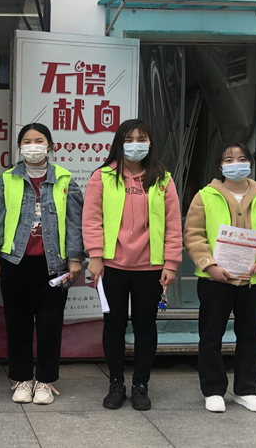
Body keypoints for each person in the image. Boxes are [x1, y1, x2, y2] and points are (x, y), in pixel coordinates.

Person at [184, 142, 256, 414]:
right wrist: (208, 264)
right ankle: (213, 390)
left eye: (242, 158)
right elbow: (194, 235)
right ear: (220, 166)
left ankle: (247, 390)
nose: (236, 164)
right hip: (215, 279)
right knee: (211, 335)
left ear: (250, 163)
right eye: (229, 160)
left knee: (251, 335)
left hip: (254, 281)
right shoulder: (205, 196)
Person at [83, 119, 182, 411]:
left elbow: (173, 224)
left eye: (141, 139)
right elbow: (92, 220)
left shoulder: (162, 179)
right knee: (113, 325)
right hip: (112, 266)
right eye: (129, 139)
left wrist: (171, 262)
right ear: (119, 143)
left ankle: (141, 385)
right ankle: (116, 383)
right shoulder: (102, 176)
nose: (135, 144)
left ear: (150, 143)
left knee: (145, 326)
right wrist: (95, 256)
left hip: (150, 268)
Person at [0, 123, 84, 405]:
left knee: (51, 324)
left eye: (39, 141)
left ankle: (45, 381)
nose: (33, 146)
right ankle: (22, 379)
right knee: (17, 324)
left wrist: (74, 259)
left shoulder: (65, 179)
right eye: (26, 141)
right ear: (19, 147)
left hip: (53, 265)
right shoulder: (6, 180)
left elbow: (74, 222)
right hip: (15, 262)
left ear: (50, 146)